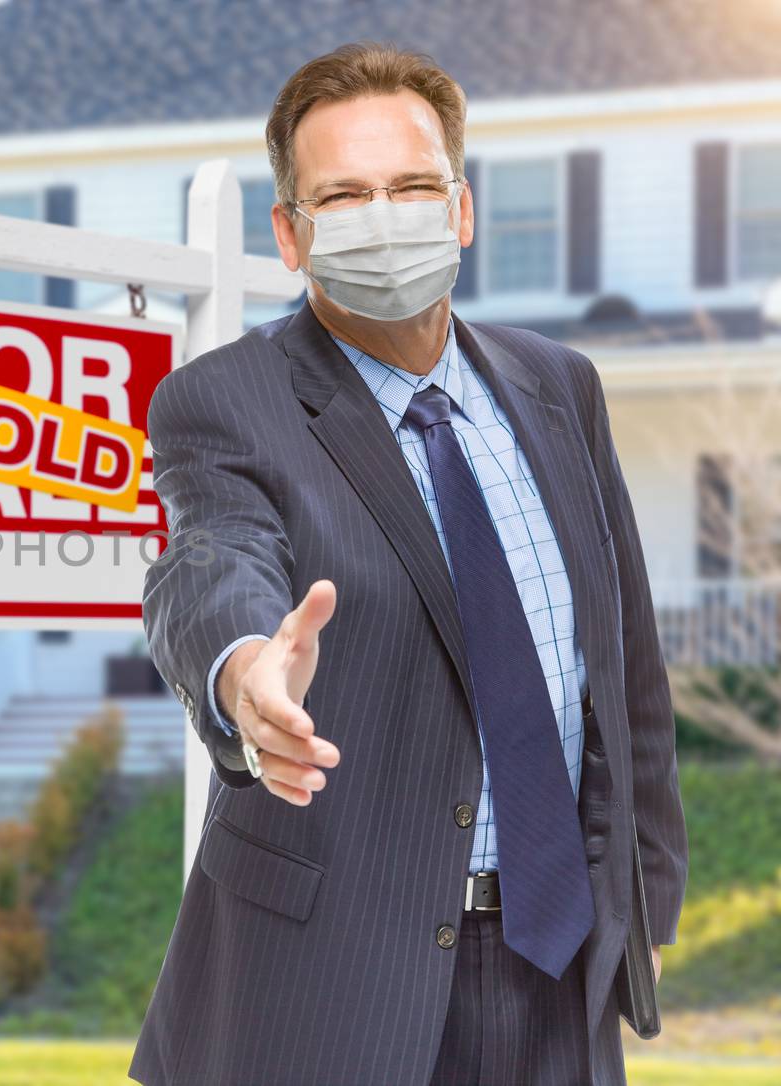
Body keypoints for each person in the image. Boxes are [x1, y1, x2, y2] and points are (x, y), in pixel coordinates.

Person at [129, 41, 688, 1086]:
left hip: (557, 964)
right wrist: (244, 673)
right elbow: (207, 559)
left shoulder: (559, 386)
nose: (383, 217)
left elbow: (621, 661)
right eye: (341, 196)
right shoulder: (222, 401)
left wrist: (642, 895)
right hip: (334, 984)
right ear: (289, 237)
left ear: (461, 210)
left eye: (411, 186)